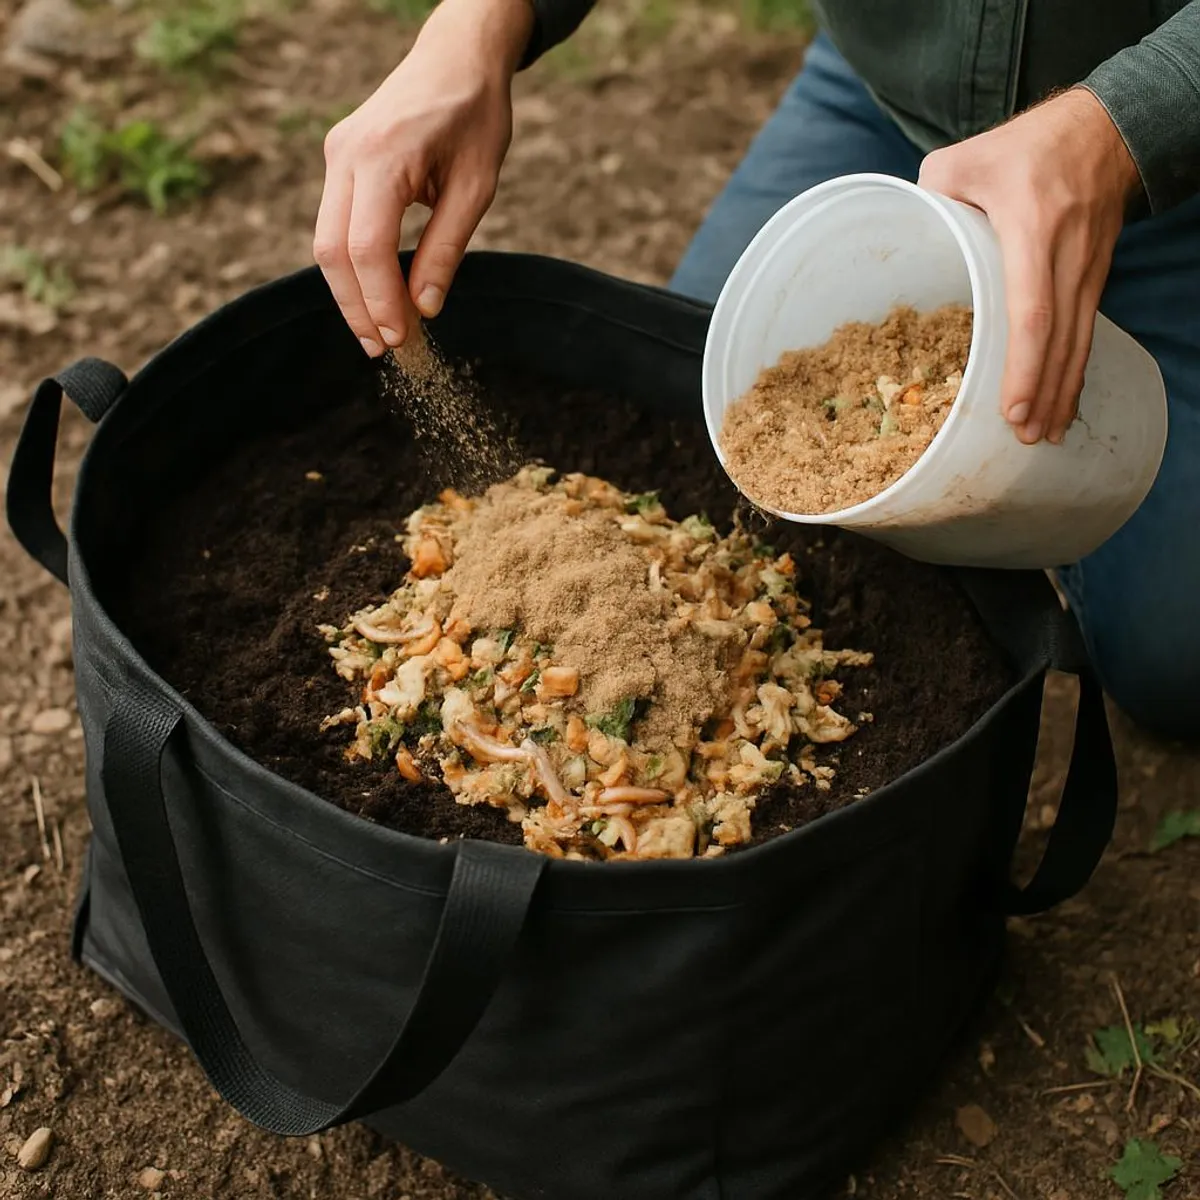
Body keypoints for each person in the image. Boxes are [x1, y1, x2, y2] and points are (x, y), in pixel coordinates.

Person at [313, 0, 1200, 740]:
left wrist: (1123, 126)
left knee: (1178, 664)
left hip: (1167, 164)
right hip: (893, 103)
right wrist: (477, 25)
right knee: (691, 416)